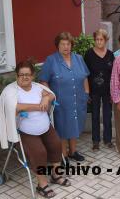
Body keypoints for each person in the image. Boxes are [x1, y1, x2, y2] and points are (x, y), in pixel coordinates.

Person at [0, 61, 71, 198]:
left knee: (56, 145)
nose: (25, 77)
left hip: (45, 127)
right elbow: (16, 107)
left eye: (28, 74)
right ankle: (41, 185)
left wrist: (46, 97)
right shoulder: (11, 91)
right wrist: (39, 106)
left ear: (32, 75)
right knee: (39, 152)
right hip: (26, 131)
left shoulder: (37, 87)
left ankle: (55, 175)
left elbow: (52, 95)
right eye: (21, 75)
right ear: (16, 75)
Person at [39, 32, 90, 164]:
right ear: (58, 46)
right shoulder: (51, 60)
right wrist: (49, 96)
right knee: (62, 128)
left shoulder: (78, 58)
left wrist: (86, 93)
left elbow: (84, 77)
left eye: (68, 44)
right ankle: (63, 155)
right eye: (63, 44)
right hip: (60, 102)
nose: (66, 47)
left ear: (71, 45)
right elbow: (44, 81)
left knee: (75, 124)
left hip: (78, 99)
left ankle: (73, 151)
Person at [84, 29, 115, 151]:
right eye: (96, 39)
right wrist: (87, 92)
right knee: (95, 116)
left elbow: (113, 75)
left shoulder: (110, 55)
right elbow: (85, 74)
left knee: (108, 115)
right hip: (94, 91)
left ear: (106, 40)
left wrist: (114, 92)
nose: (98, 42)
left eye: (101, 39)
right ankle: (95, 141)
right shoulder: (89, 54)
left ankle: (108, 140)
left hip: (108, 91)